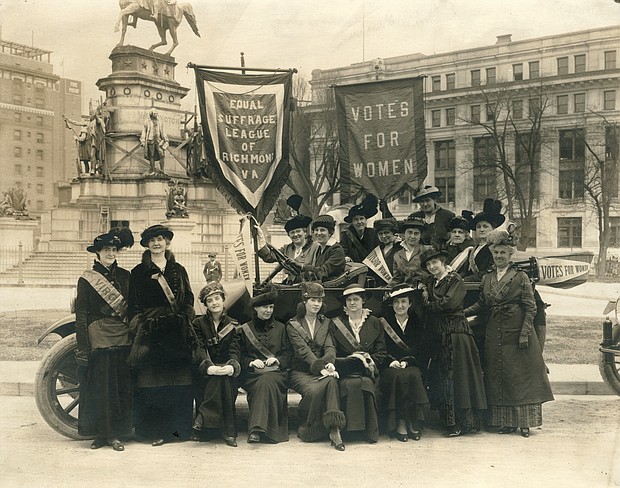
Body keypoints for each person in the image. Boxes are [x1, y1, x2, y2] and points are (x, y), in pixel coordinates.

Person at [464, 230, 554, 438]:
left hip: (517, 332)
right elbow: (482, 304)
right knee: (499, 376)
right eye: (496, 253)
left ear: (510, 254)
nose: (499, 256)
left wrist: (524, 334)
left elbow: (531, 307)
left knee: (521, 377)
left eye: (503, 253)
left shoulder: (520, 276)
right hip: (495, 333)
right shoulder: (487, 278)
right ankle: (505, 423)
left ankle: (525, 423)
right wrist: (462, 312)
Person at [128, 224, 195, 446]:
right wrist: (142, 325)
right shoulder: (138, 272)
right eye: (152, 240)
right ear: (147, 244)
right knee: (153, 382)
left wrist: (185, 318)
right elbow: (134, 305)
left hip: (176, 330)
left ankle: (178, 432)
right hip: (152, 331)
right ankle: (152, 432)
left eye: (160, 239)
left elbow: (188, 299)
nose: (157, 243)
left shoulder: (179, 270)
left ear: (167, 243)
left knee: (177, 380)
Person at [75, 228, 134, 451]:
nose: (110, 253)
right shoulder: (87, 279)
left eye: (113, 249)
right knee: (101, 386)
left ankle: (116, 433)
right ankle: (102, 434)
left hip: (122, 333)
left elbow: (132, 307)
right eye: (105, 249)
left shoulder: (125, 276)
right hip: (99, 334)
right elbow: (81, 313)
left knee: (119, 385)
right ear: (97, 253)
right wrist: (83, 344)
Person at [420, 248, 487, 437]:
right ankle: (449, 421)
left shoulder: (455, 279)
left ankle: (464, 422)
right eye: (428, 264)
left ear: (442, 262)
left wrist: (428, 304)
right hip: (439, 334)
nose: (432, 267)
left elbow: (448, 303)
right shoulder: (432, 282)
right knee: (443, 377)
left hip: (456, 333)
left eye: (435, 263)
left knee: (459, 377)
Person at [286, 282, 345, 451]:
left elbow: (330, 347)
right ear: (304, 301)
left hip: (322, 370)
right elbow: (302, 351)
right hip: (300, 372)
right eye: (312, 300)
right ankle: (310, 424)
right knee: (316, 390)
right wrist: (321, 368)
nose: (316, 304)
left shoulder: (325, 322)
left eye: (319, 300)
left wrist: (329, 365)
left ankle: (334, 429)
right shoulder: (293, 324)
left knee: (331, 381)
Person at [331, 284, 387, 443]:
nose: (352, 303)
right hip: (345, 371)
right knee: (350, 385)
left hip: (367, 372)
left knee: (366, 384)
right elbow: (332, 352)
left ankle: (369, 432)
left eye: (356, 299)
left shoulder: (375, 322)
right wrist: (352, 361)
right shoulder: (336, 324)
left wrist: (368, 362)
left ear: (363, 301)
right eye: (349, 300)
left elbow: (381, 352)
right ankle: (348, 433)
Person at [237, 285, 292, 443]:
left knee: (267, 380)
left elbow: (289, 354)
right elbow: (239, 355)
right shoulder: (245, 329)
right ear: (255, 308)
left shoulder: (282, 328)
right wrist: (251, 362)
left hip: (277, 373)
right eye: (264, 307)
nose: (268, 310)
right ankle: (262, 428)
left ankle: (257, 429)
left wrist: (278, 360)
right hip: (252, 374)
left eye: (271, 307)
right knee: (263, 381)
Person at [191, 282, 241, 447]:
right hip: (205, 367)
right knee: (217, 378)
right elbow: (198, 347)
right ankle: (229, 432)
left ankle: (203, 419)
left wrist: (231, 366)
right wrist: (208, 367)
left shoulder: (233, 324)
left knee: (223, 378)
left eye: (217, 298)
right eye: (210, 300)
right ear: (205, 304)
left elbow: (235, 349)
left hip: (226, 367)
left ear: (223, 299)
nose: (214, 303)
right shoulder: (197, 324)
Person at [378, 284, 429, 442]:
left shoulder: (417, 322)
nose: (400, 306)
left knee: (412, 375)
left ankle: (413, 421)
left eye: (403, 302)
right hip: (390, 365)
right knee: (397, 377)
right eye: (396, 302)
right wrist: (390, 361)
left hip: (411, 364)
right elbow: (379, 347)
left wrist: (408, 361)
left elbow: (422, 349)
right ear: (392, 305)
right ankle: (399, 421)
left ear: (410, 303)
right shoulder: (383, 322)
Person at [256, 196, 314, 284]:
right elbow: (269, 256)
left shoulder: (315, 247)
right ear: (289, 235)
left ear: (305, 232)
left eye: (298, 231)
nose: (295, 235)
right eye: (292, 233)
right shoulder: (287, 249)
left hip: (310, 286)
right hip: (291, 286)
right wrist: (260, 238)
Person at [459, 198, 505, 281]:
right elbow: (466, 271)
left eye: (485, 226)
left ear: (493, 228)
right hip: (469, 285)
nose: (481, 229)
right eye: (478, 227)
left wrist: (466, 280)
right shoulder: (474, 248)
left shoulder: (496, 247)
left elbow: (490, 271)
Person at [300, 214, 346, 282]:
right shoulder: (319, 248)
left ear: (330, 233)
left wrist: (302, 267)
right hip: (319, 286)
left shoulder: (336, 250)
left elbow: (322, 271)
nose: (318, 233)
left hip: (332, 289)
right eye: (316, 230)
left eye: (322, 230)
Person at [390, 216, 430, 287]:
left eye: (416, 233)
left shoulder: (427, 250)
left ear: (420, 235)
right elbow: (396, 279)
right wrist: (388, 290)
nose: (412, 236)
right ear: (404, 234)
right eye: (410, 232)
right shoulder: (397, 255)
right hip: (406, 293)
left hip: (424, 290)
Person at [340, 194, 380, 263]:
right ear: (352, 222)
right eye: (356, 219)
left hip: (372, 268)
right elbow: (343, 251)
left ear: (366, 220)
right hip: (354, 268)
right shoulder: (346, 235)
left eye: (361, 219)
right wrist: (346, 257)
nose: (359, 222)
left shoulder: (373, 233)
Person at [364, 218, 399, 286]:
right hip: (379, 288)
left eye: (386, 232)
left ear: (393, 233)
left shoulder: (399, 248)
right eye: (380, 234)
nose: (383, 236)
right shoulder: (377, 250)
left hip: (397, 286)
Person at [140, 109, 169, 175]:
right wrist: (143, 140)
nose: (156, 115)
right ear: (151, 114)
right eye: (155, 113)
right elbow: (144, 131)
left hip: (158, 141)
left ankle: (162, 170)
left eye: (156, 113)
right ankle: (152, 170)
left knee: (162, 155)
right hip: (150, 140)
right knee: (151, 155)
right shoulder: (147, 121)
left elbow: (163, 131)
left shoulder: (160, 122)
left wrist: (166, 139)